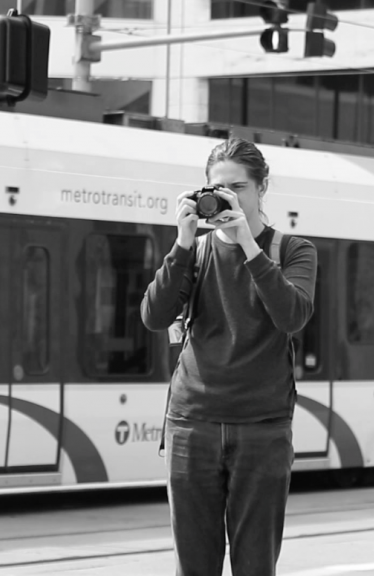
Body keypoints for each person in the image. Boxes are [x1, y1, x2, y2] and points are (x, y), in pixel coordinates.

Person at [141, 138, 317, 576]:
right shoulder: (196, 252)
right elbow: (153, 315)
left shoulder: (293, 250)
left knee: (255, 565)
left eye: (238, 187)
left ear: (262, 188)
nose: (227, 198)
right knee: (194, 567)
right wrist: (181, 244)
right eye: (217, 189)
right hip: (192, 423)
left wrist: (249, 248)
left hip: (262, 428)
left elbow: (291, 316)